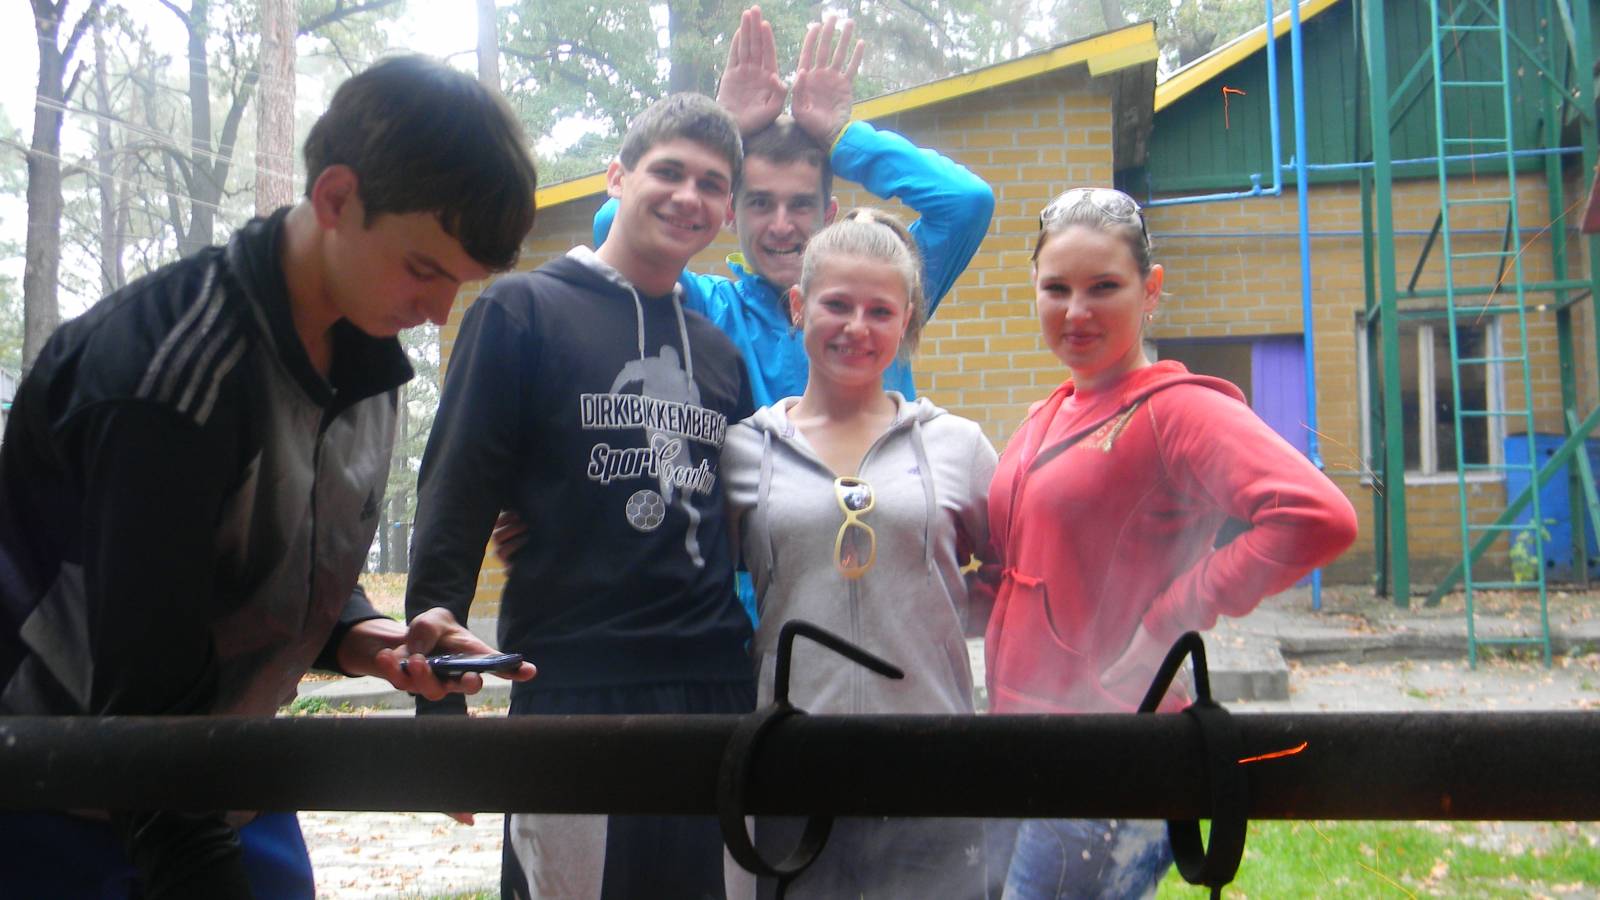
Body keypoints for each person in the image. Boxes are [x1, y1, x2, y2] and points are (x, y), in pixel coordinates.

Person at [0, 54, 540, 898]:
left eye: (460, 283)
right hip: (56, 801)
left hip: (228, 776)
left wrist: (370, 639)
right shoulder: (170, 384)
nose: (438, 312)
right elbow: (146, 721)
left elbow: (256, 563)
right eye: (424, 269)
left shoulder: (368, 359)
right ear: (336, 197)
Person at [404, 93, 756, 900]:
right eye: (668, 171)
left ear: (727, 211)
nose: (688, 196)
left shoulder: (720, 354)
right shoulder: (520, 310)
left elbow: (737, 514)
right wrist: (438, 703)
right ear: (617, 176)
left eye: (711, 184)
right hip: (572, 684)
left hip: (714, 690)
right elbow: (455, 497)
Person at [984, 187, 1359, 898]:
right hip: (1024, 739)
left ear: (1150, 290)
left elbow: (1317, 515)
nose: (1076, 310)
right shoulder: (1050, 412)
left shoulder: (1177, 410)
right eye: (1056, 288)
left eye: (1104, 287)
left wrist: (1169, 620)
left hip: (1110, 753)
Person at [722, 210, 999, 899]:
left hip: (931, 759)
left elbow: (1015, 572)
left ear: (907, 321)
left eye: (881, 311)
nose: (857, 327)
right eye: (837, 304)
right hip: (789, 761)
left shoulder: (958, 446)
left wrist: (931, 626)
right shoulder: (743, 450)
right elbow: (689, 576)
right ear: (799, 305)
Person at [595, 7, 995, 409]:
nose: (781, 225)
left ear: (828, 215)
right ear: (731, 212)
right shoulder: (707, 307)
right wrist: (724, 130)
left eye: (801, 205)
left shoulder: (877, 292)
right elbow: (616, 226)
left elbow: (966, 201)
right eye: (761, 203)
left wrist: (839, 137)